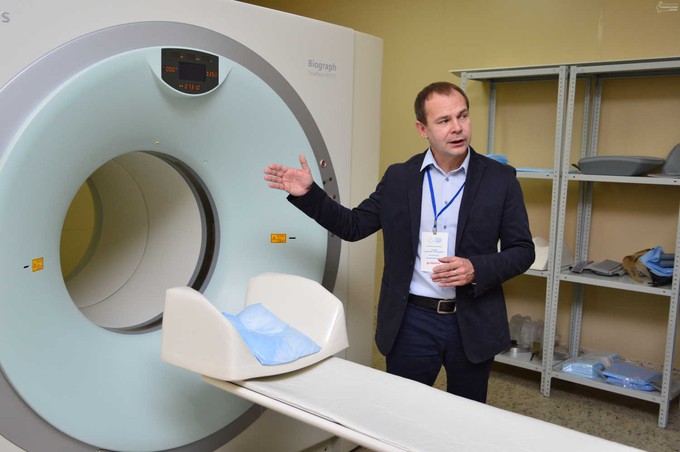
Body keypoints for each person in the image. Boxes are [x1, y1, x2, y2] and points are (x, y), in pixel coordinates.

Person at [263, 81, 534, 403]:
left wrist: (476, 268)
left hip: (473, 319)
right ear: (422, 128)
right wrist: (310, 194)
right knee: (403, 410)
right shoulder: (399, 178)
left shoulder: (500, 180)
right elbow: (353, 226)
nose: (457, 128)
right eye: (444, 120)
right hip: (412, 320)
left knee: (468, 415)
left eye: (463, 116)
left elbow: (523, 251)